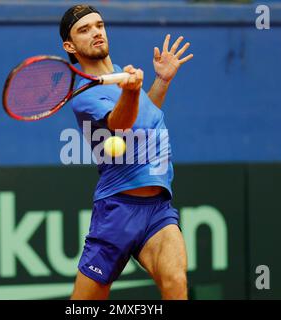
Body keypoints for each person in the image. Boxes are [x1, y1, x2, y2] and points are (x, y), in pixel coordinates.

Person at [60, 4, 193, 300]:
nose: (96, 32)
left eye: (99, 25)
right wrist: (132, 92)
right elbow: (119, 125)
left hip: (158, 210)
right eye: (84, 29)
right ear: (70, 46)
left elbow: (144, 117)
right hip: (116, 212)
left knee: (175, 282)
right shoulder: (84, 97)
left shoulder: (122, 76)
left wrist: (161, 81)